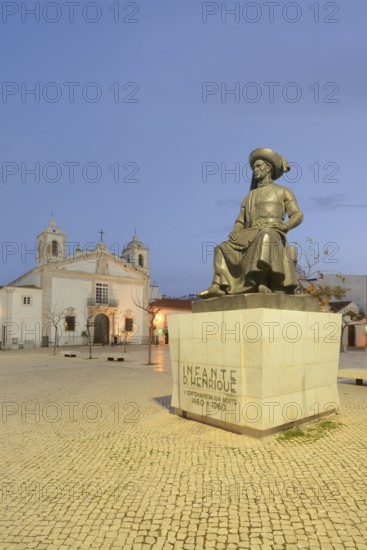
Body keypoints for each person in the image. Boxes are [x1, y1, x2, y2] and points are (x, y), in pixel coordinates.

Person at [197, 148, 303, 298]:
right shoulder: (249, 196)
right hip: (249, 232)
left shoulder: (283, 191)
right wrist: (235, 230)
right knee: (222, 247)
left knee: (265, 236)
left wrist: (285, 226)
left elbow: (298, 214)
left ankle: (262, 281)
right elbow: (240, 220)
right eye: (254, 167)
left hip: (273, 231)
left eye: (259, 166)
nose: (255, 169)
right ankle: (218, 285)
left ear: (269, 168)